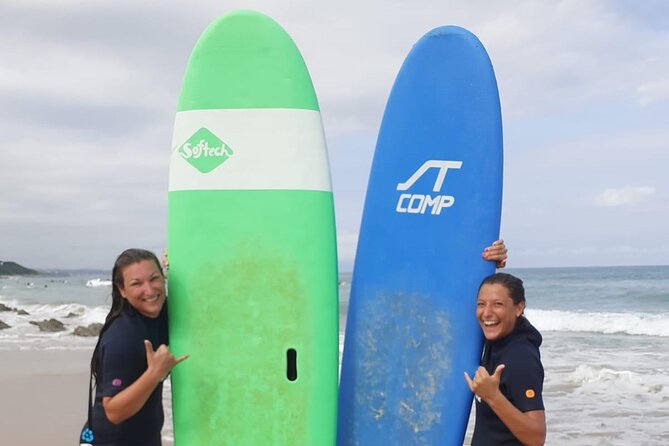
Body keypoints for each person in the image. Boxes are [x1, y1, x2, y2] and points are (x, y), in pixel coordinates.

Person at [81, 249, 188, 446]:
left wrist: (180, 259)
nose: (149, 290)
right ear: (122, 290)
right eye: (136, 283)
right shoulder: (123, 338)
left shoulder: (159, 313)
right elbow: (113, 411)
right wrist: (154, 373)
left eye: (154, 278)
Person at [464, 272, 546, 446]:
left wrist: (493, 396)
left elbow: (536, 436)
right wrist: (493, 259)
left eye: (498, 304)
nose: (486, 313)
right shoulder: (495, 337)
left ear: (519, 308)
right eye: (481, 304)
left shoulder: (521, 358)